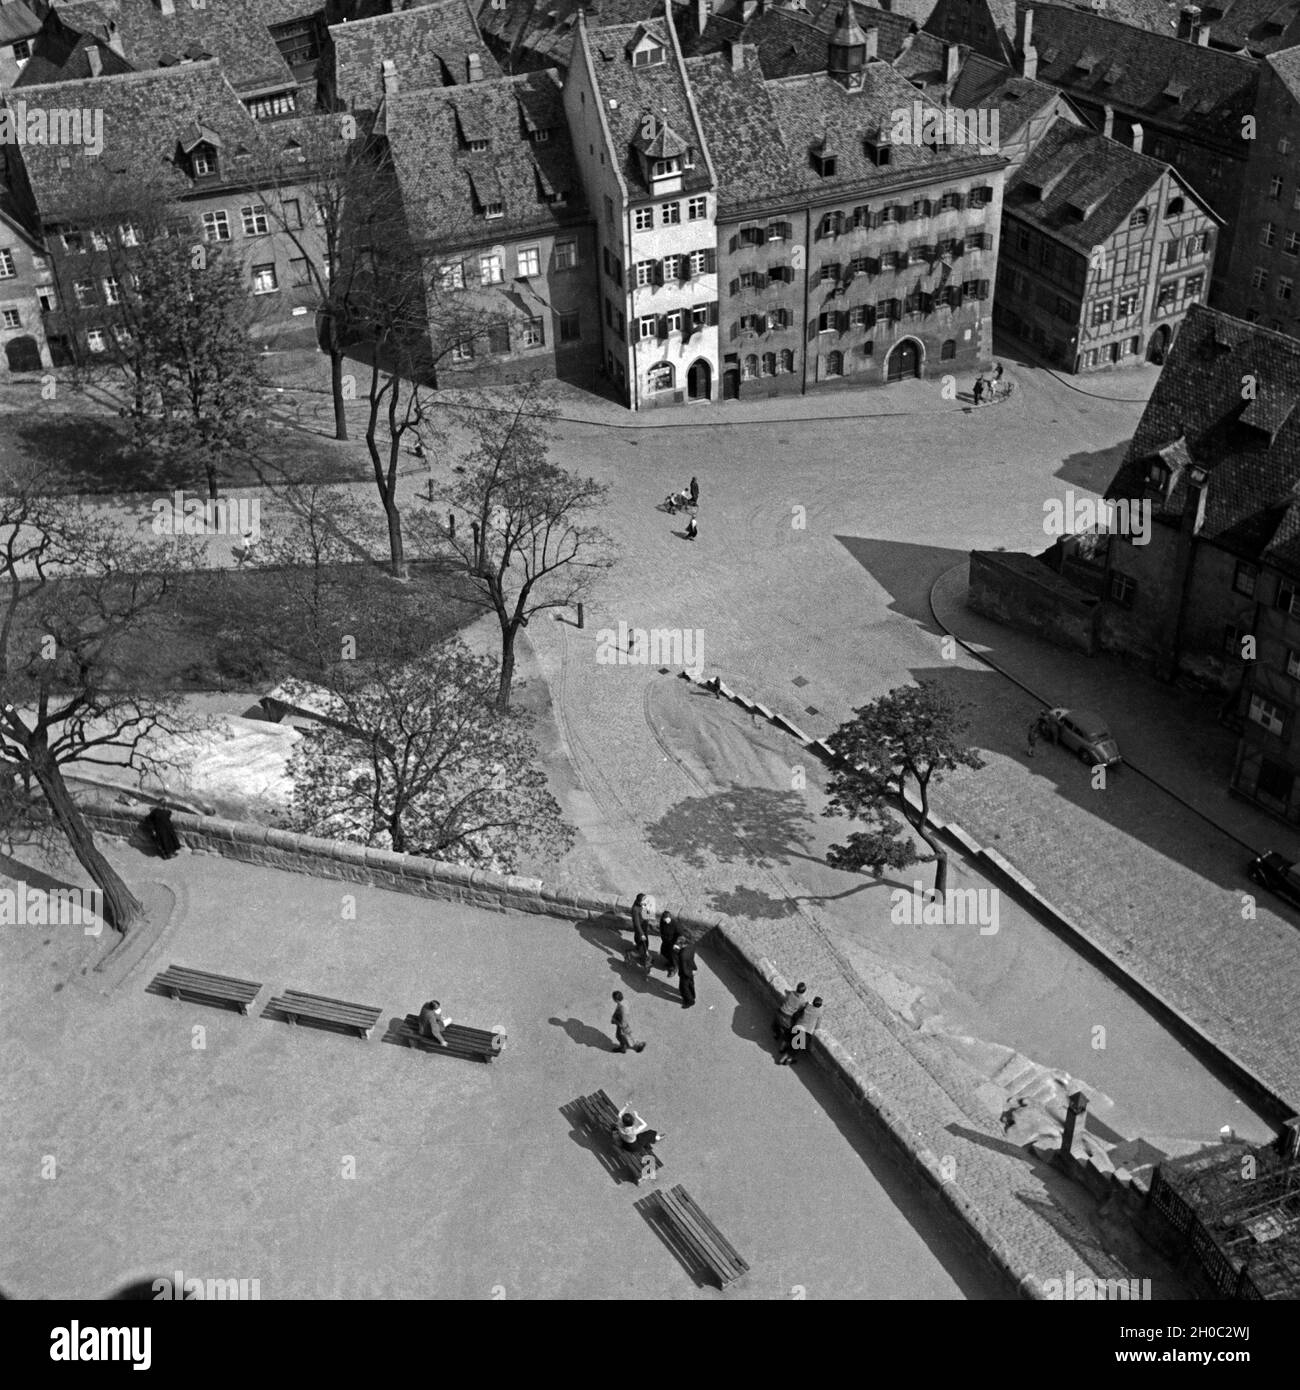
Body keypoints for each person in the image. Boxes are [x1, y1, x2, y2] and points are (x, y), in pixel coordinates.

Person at [779, 995, 823, 1065]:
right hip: (805, 1031)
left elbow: (799, 1009)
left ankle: (782, 1049)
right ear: (819, 1005)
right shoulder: (819, 1013)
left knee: (789, 1038)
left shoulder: (807, 1006)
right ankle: (786, 1059)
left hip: (797, 1026)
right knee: (796, 1048)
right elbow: (817, 1025)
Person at [674, 938, 697, 1008]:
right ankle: (693, 995)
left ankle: (690, 1001)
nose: (676, 945)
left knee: (683, 987)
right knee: (691, 983)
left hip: (686, 973)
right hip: (692, 968)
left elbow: (683, 968)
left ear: (682, 944)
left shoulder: (682, 955)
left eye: (678, 944)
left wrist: (677, 952)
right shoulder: (691, 946)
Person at [658, 911, 680, 976]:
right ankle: (670, 962)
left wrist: (676, 944)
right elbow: (661, 929)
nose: (665, 921)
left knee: (673, 955)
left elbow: (680, 935)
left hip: (673, 943)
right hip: (665, 941)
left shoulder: (675, 924)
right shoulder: (662, 921)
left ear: (670, 918)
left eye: (666, 920)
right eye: (664, 920)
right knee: (663, 952)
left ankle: (674, 968)